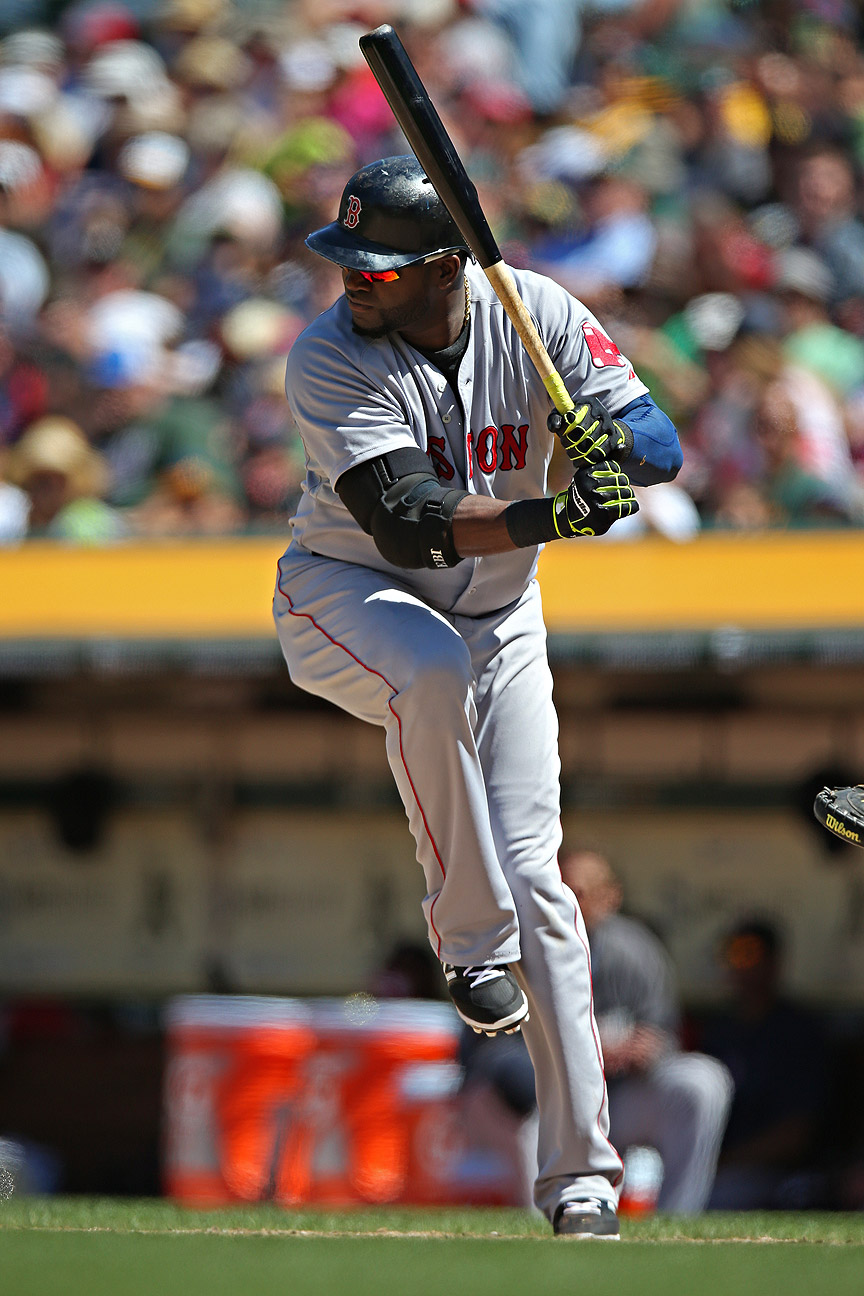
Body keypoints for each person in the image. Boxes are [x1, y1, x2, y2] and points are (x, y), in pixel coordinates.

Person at [272, 154, 682, 1237]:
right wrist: (558, 514)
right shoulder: (325, 357)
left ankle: (583, 1177)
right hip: (347, 592)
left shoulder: (534, 307)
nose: (355, 280)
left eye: (382, 266)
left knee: (545, 886)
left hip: (500, 616)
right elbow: (407, 520)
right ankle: (464, 941)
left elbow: (661, 447)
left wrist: (609, 450)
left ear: (447, 264)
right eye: (349, 261)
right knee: (430, 672)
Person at [561, 848, 734, 1214]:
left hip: (619, 1094)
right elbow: (504, 1050)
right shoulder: (521, 945)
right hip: (552, 1101)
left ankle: (677, 1218)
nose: (566, 900)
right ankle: (540, 1215)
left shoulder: (636, 949)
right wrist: (589, 1052)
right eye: (557, 888)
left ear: (610, 896)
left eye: (577, 891)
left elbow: (661, 1036)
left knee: (702, 1080)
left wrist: (641, 1048)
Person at [701, 919, 830, 1210]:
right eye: (734, 955)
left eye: (751, 955)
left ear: (774, 963)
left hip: (775, 1174)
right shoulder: (719, 1030)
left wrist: (726, 1161)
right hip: (714, 1167)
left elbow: (795, 1136)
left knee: (717, 1198)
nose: (742, 966)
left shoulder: (797, 1032)